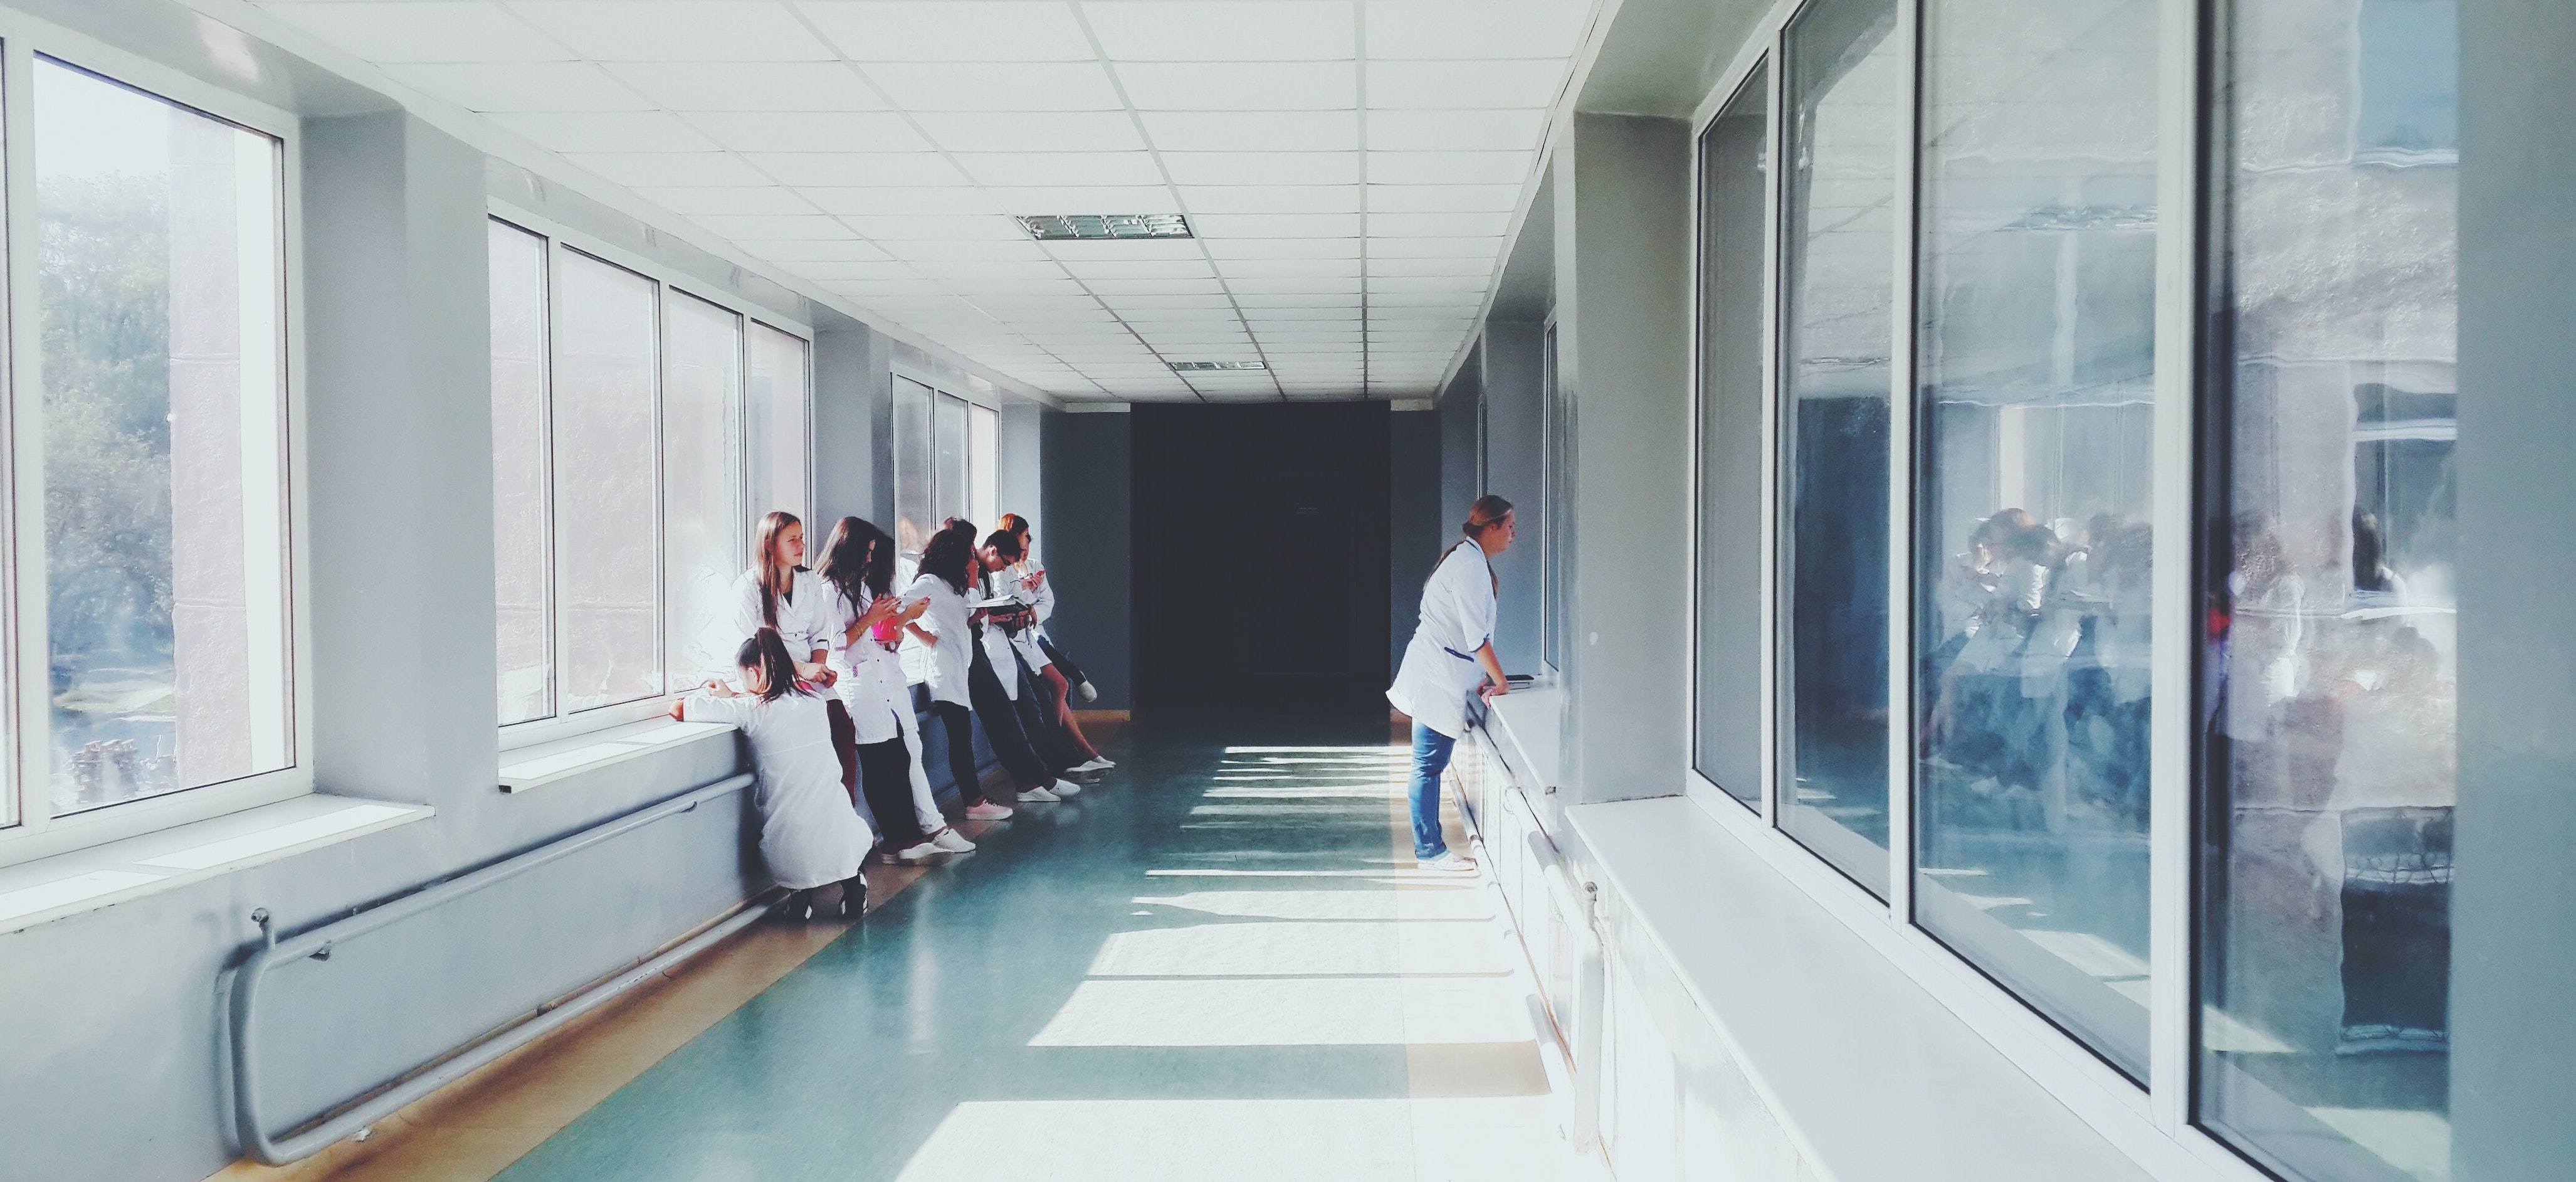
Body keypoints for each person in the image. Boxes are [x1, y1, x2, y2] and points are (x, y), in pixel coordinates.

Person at [671, 628, 871, 921]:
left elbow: (678, 709)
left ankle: (799, 898)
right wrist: (738, 694)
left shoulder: (751, 711)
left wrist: (723, 696)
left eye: (743, 678)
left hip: (788, 856)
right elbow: (777, 702)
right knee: (837, 829)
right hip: (844, 840)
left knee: (792, 839)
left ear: (754, 673)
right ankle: (854, 888)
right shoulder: (815, 703)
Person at [814, 517, 976, 863]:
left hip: (882, 681)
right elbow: (835, 647)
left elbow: (876, 638)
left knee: (898, 757)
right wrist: (874, 620)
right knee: (878, 763)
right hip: (858, 686)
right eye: (867, 553)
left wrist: (893, 628)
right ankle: (895, 840)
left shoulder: (857, 587)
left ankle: (909, 834)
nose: (870, 561)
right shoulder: (827, 590)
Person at [1387, 495, 1516, 872]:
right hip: (1434, 678)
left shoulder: (1467, 559)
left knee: (1428, 764)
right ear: (1490, 528)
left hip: (1438, 672)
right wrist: (1500, 682)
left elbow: (1463, 636)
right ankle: (1429, 851)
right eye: (1509, 527)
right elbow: (1477, 638)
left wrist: (1482, 677)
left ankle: (1430, 848)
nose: (1513, 534)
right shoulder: (1471, 568)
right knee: (1427, 765)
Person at [903, 527, 1073, 811]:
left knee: (988, 724)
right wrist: (926, 638)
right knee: (963, 736)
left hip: (964, 659)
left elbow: (967, 617)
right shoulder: (931, 582)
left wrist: (976, 617)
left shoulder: (952, 584)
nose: (973, 559)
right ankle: (977, 800)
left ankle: (1031, 781)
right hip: (947, 667)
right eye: (968, 554)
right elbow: (900, 610)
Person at [983, 530, 1109, 774]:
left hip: (1024, 636)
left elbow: (1042, 603)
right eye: (1020, 548)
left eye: (1025, 548)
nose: (1024, 554)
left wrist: (1026, 607)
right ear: (995, 550)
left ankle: (1074, 755)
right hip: (1011, 644)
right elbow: (987, 610)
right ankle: (1063, 759)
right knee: (1039, 699)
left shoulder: (1013, 569)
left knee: (1054, 690)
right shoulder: (989, 573)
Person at [999, 512, 1101, 707]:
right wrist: (1023, 588)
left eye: (1028, 538)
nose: (1028, 543)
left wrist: (1032, 614)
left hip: (1034, 631)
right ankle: (1076, 677)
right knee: (1056, 686)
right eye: (1024, 537)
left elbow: (1048, 602)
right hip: (1015, 638)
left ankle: (1059, 734)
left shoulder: (1035, 566)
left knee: (1059, 685)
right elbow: (1005, 601)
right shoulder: (1002, 571)